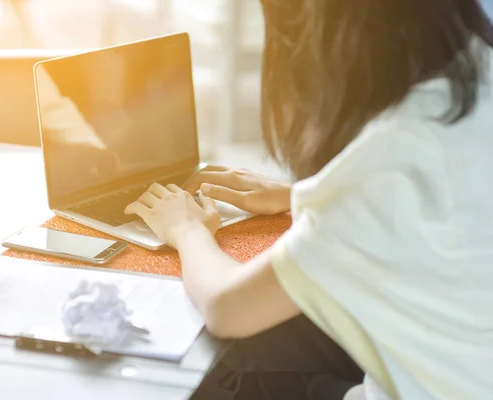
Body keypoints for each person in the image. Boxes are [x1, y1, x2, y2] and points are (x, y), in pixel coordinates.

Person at [124, 0, 493, 399]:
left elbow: (225, 307)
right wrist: (303, 194)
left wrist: (186, 228)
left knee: (239, 368)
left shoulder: (385, 165)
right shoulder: (477, 70)